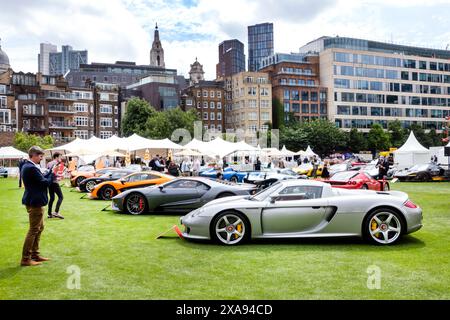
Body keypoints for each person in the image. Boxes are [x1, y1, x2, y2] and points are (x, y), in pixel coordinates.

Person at [20, 146, 55, 267]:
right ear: (33, 155)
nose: (41, 159)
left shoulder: (27, 166)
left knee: (39, 228)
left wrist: (49, 173)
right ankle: (25, 259)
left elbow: (41, 179)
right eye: (40, 156)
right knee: (34, 229)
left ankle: (35, 254)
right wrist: (52, 174)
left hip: (33, 200)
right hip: (35, 202)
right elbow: (44, 183)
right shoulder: (31, 168)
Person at [46, 152, 65, 219]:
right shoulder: (56, 163)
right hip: (54, 182)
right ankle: (56, 212)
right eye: (59, 157)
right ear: (56, 157)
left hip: (49, 182)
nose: (60, 159)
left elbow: (49, 173)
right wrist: (60, 176)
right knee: (61, 197)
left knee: (52, 198)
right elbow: (54, 173)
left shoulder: (49, 163)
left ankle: (49, 214)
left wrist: (57, 177)